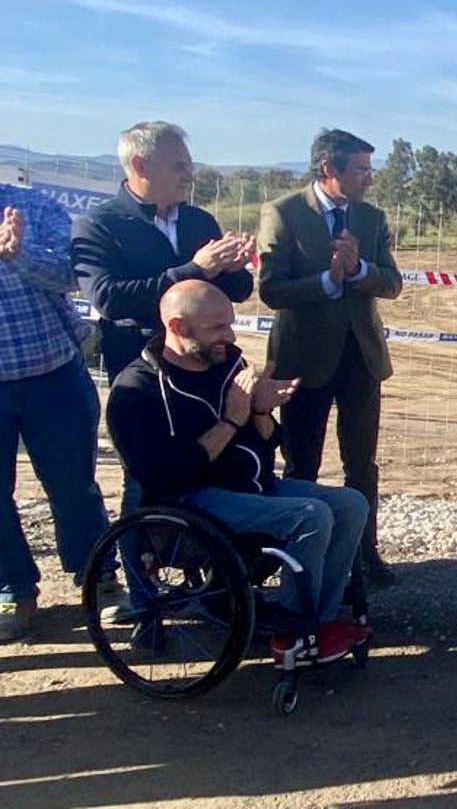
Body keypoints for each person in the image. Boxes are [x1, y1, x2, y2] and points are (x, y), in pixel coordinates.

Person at [105, 280, 369, 660]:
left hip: (255, 486)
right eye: (217, 328)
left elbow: (266, 441)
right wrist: (231, 420)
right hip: (193, 502)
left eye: (230, 324)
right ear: (178, 327)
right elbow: (163, 475)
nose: (229, 336)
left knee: (351, 503)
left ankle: (319, 621)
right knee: (311, 515)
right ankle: (292, 628)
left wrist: (261, 411)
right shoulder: (139, 389)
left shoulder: (228, 362)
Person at [72, 120, 255, 519]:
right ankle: (143, 574)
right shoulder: (100, 226)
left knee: (211, 464)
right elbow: (108, 298)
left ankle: (212, 571)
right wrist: (194, 269)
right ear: (140, 164)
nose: (190, 175)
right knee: (146, 478)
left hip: (206, 369)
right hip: (145, 375)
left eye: (188, 165)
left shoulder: (199, 222)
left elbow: (237, 292)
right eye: (179, 166)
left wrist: (234, 268)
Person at [257, 129, 402, 587]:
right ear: (328, 170)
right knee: (302, 464)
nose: (369, 179)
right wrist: (325, 282)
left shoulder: (371, 218)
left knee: (362, 463)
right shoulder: (283, 213)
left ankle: (365, 554)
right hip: (304, 362)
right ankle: (301, 561)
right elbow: (271, 290)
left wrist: (359, 270)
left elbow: (392, 283)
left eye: (368, 169)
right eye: (360, 170)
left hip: (361, 359)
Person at [0, 184, 112, 642]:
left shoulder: (32, 204)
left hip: (53, 374)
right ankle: (14, 588)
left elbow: (71, 274)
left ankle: (97, 577)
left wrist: (19, 253)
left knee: (74, 487)